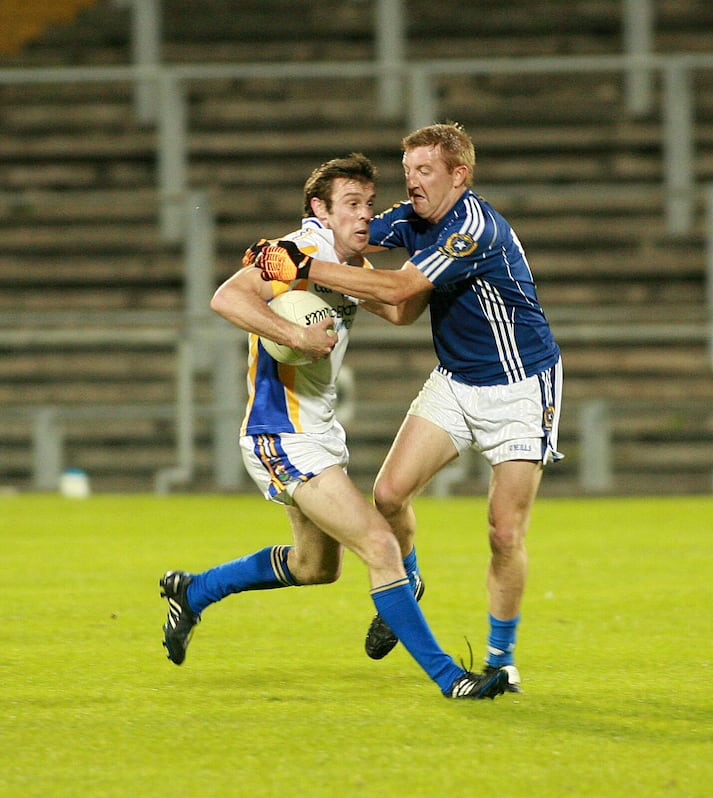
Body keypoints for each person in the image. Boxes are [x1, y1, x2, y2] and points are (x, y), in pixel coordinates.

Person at [158, 152, 509, 700]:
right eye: (351, 204)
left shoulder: (346, 264)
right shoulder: (300, 250)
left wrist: (432, 264)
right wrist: (295, 335)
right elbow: (227, 296)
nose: (365, 215)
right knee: (379, 544)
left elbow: (399, 311)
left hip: (319, 434)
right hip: (280, 434)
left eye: (369, 204)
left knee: (315, 566)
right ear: (319, 210)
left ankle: (195, 590)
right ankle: (452, 679)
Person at [256, 123, 564, 694]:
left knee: (503, 533)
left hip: (521, 389)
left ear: (459, 175)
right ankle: (409, 582)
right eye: (408, 172)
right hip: (455, 383)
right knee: (389, 495)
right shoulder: (412, 217)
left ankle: (501, 659)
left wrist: (295, 268)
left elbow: (398, 292)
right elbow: (352, 237)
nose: (412, 183)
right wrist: (300, 241)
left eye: (424, 172)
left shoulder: (474, 227)